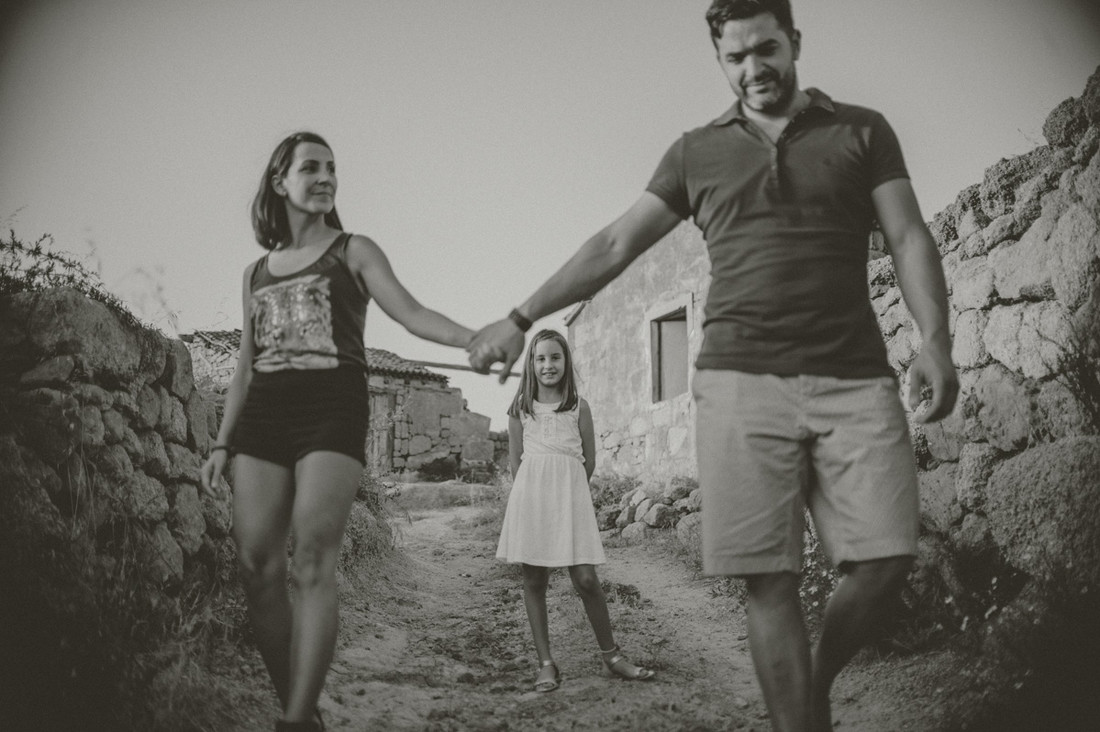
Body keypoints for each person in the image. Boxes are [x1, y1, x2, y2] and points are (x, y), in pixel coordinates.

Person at [467, 1, 958, 730]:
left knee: (887, 557)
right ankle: (799, 719)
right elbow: (612, 248)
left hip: (854, 374)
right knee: (770, 579)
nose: (754, 68)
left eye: (767, 49)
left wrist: (935, 339)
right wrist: (517, 319)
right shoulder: (696, 151)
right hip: (737, 382)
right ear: (719, 60)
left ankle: (814, 684)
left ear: (794, 42)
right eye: (736, 57)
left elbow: (910, 234)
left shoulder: (862, 129)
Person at [200, 131, 474, 732]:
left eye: (332, 168)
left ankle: (297, 719)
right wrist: (223, 440)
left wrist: (473, 340)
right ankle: (299, 707)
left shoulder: (354, 250)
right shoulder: (255, 273)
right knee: (256, 563)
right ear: (280, 181)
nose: (325, 177)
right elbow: (246, 364)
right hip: (264, 414)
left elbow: (412, 312)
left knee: (314, 560)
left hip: (333, 408)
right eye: (311, 168)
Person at [496, 329, 655, 692]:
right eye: (540, 358)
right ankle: (546, 663)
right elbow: (516, 462)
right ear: (531, 364)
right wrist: (535, 497)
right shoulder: (520, 409)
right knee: (535, 580)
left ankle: (613, 656)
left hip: (570, 500)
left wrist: (567, 494)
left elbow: (589, 460)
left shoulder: (578, 406)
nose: (547, 365)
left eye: (555, 357)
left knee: (585, 578)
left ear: (566, 361)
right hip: (532, 500)